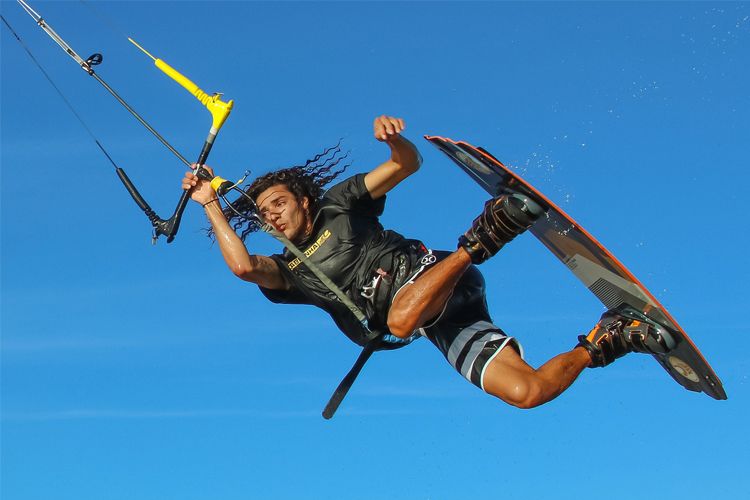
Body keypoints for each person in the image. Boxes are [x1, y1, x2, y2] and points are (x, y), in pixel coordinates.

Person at [182, 115, 671, 410]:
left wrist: (393, 140)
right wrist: (210, 204)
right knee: (527, 393)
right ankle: (609, 338)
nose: (272, 216)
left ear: (304, 201)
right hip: (441, 321)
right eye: (264, 215)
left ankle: (486, 235)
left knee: (398, 315)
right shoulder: (289, 274)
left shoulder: (338, 203)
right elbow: (244, 267)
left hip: (434, 277)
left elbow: (405, 165)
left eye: (280, 204)